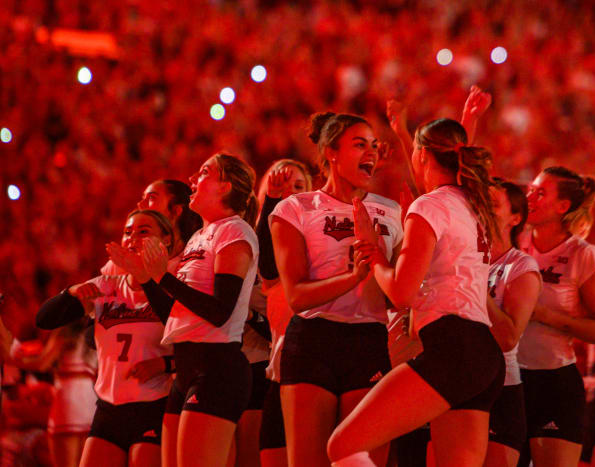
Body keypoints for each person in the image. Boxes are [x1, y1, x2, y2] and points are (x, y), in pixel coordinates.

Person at [327, 118, 504, 466]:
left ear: (421, 155)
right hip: (484, 353)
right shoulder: (474, 207)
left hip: (450, 346)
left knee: (343, 447)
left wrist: (375, 255)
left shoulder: (431, 206)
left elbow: (402, 293)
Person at [269, 112, 403, 466]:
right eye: (359, 145)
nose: (370, 153)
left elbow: (402, 288)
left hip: (370, 340)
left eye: (374, 146)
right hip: (313, 339)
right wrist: (355, 277)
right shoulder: (295, 208)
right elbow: (296, 296)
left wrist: (382, 262)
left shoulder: (392, 211)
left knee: (361, 462)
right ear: (331, 152)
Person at [114, 153, 259, 467]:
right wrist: (146, 279)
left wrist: (163, 276)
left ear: (225, 187)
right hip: (187, 366)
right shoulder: (198, 237)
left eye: (205, 172)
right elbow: (174, 316)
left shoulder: (234, 232)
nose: (193, 178)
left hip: (216, 367)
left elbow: (220, 310)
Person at [35, 210, 178, 467]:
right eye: (127, 232)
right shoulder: (107, 285)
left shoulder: (173, 287)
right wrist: (71, 292)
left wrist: (165, 364)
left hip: (152, 408)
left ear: (166, 240)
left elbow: (198, 346)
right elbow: (44, 319)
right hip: (108, 410)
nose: (133, 237)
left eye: (143, 231)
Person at [516, 166, 595, 467]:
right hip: (508, 378)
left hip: (555, 381)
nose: (529, 196)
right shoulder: (513, 242)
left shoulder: (582, 254)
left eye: (540, 192)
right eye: (530, 189)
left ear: (562, 207)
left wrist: (544, 315)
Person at [256, 159, 313, 467]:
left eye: (300, 186)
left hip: (313, 371)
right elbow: (267, 265)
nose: (292, 193)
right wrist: (272, 204)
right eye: (282, 186)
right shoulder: (268, 242)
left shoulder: (318, 242)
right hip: (277, 372)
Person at [483, 180, 542, 467]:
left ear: (515, 218)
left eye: (493, 204)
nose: (482, 208)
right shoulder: (460, 254)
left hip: (500, 388)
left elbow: (508, 338)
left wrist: (474, 286)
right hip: (455, 381)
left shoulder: (521, 267)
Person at [13, 323, 97, 467]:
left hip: (69, 402)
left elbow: (42, 363)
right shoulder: (98, 327)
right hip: (91, 403)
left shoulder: (67, 329)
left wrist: (11, 357)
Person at [101, 179, 202, 276]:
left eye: (151, 198)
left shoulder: (193, 262)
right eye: (128, 232)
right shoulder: (121, 262)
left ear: (176, 211)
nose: (140, 204)